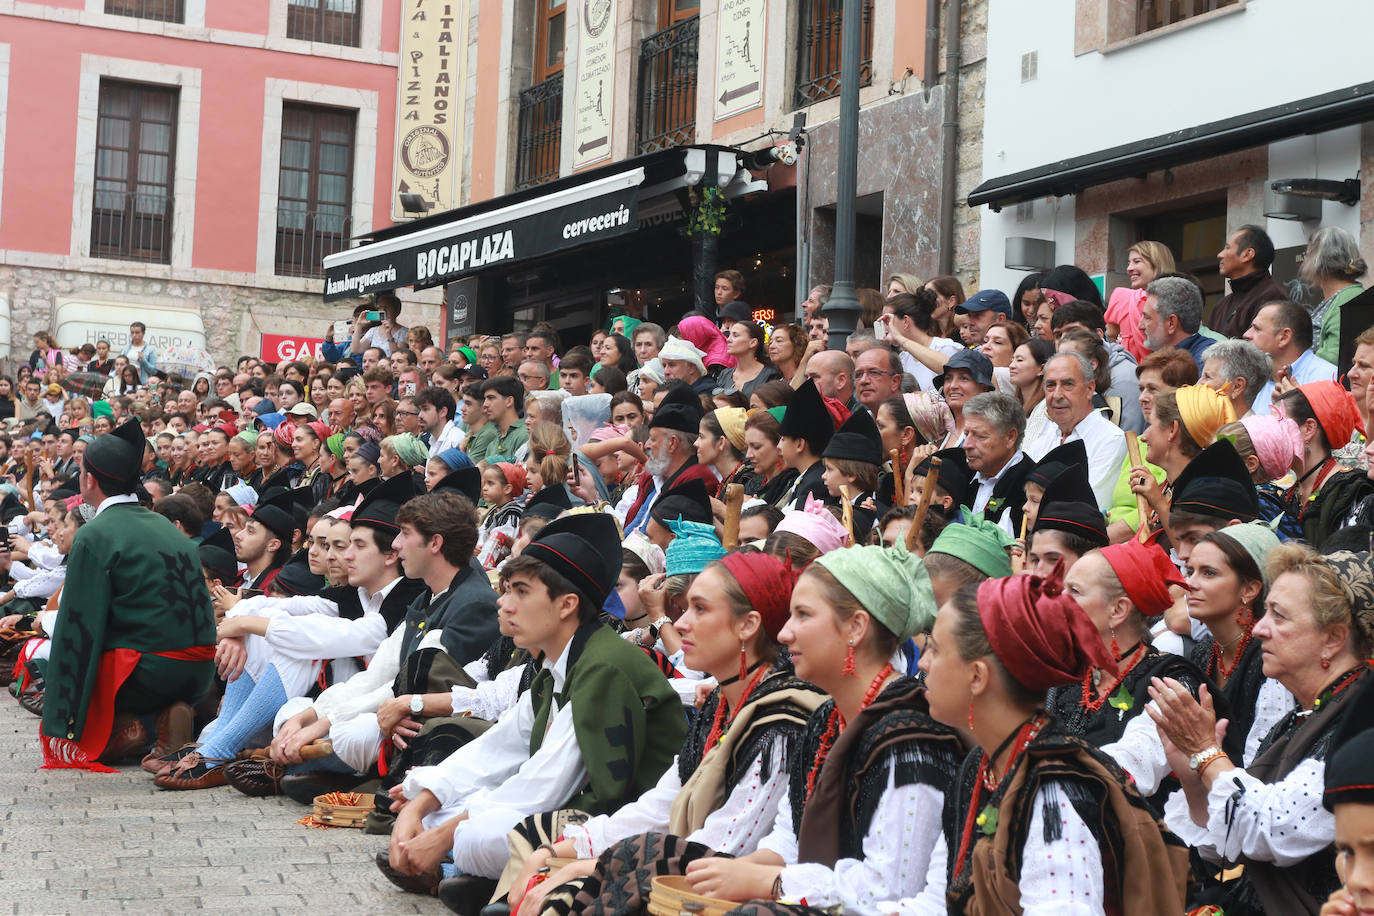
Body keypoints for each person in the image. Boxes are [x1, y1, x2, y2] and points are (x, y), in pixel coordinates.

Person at [379, 513, 686, 909]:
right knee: (436, 809)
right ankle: (465, 874)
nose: (503, 604)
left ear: (566, 605)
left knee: (475, 834)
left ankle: (461, 873)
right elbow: (496, 750)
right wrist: (422, 804)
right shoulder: (554, 665)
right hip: (564, 807)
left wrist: (443, 835)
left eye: (520, 592)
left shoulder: (603, 668)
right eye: (506, 590)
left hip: (625, 822)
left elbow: (543, 788)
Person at [500, 552, 827, 916]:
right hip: (683, 854)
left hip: (714, 880)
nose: (681, 624)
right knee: (537, 835)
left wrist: (590, 865)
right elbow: (660, 806)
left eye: (700, 610)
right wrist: (559, 851)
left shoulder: (781, 723)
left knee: (571, 891)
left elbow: (724, 846)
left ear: (747, 626)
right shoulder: (723, 702)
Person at [917, 568, 1190, 914]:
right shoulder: (982, 766)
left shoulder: (1053, 793)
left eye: (936, 650)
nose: (923, 663)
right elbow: (936, 900)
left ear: (977, 676)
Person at [1154, 544, 1372, 915]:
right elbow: (1226, 847)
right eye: (1265, 611)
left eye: (1279, 616)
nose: (1258, 628)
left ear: (1333, 638)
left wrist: (1207, 753)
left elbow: (1271, 830)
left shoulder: (1359, 725)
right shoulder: (1303, 716)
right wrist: (1192, 774)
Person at [39, 420, 216, 770]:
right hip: (200, 671)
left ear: (88, 480)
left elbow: (80, 626)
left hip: (147, 672)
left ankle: (125, 725)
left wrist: (62, 721)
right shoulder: (165, 524)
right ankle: (166, 718)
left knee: (59, 654)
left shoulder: (95, 534)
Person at [1024, 351, 1126, 508]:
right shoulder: (1046, 436)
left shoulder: (1111, 439)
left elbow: (1087, 504)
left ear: (1090, 389)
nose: (1057, 395)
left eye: (1068, 384)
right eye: (1051, 385)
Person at [1279, 382, 1372, 548]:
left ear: (1308, 429)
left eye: (1279, 424)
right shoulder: (1288, 492)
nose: (1270, 433)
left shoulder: (1350, 492)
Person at [621, 382, 718, 533]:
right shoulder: (657, 477)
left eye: (653, 439)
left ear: (672, 443)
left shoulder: (696, 480)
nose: (647, 445)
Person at [1243, 299, 1338, 416]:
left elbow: (1333, 432)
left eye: (1257, 329)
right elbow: (1235, 433)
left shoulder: (1328, 378)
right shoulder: (1250, 380)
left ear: (1284, 337)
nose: (1246, 334)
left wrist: (1298, 408)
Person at [960, 391, 1030, 535]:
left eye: (980, 436)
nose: (966, 445)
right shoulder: (961, 474)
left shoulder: (1031, 487)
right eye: (966, 434)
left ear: (1010, 437)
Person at [1303, 226, 1369, 365]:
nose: (1305, 260)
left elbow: (1333, 359)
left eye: (1308, 254)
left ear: (1319, 259)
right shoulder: (1340, 297)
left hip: (1325, 383)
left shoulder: (1347, 299)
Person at [1210, 224, 1289, 340]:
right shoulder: (1220, 307)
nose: (1220, 255)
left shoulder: (1272, 298)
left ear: (1247, 254)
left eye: (1227, 248)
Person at [1105, 240, 1175, 362]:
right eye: (1129, 263)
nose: (1129, 268)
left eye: (1137, 261)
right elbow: (1110, 332)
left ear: (1157, 263)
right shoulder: (1123, 296)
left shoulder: (1177, 299)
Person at [1140, 275, 1214, 367]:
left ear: (1171, 323)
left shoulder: (1209, 362)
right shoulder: (1163, 359)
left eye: (1147, 317)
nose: (1140, 326)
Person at [1199, 338, 1273, 420]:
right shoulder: (1206, 423)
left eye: (1207, 377)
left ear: (1237, 386)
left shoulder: (1248, 432)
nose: (1198, 384)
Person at [715, 321, 779, 398]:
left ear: (753, 342)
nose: (728, 340)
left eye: (735, 335)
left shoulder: (770, 376)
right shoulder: (724, 374)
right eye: (729, 335)